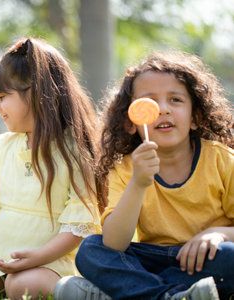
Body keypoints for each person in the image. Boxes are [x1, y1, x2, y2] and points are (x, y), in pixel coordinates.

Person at [0, 37, 106, 300]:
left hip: (50, 257)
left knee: (21, 287)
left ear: (38, 94)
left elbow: (78, 226)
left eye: (3, 97)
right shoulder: (1, 145)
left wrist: (37, 257)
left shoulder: (75, 151)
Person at [55, 50, 234, 300]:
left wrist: (219, 234)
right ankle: (173, 295)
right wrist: (138, 183)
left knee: (230, 256)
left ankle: (128, 293)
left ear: (196, 117)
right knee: (91, 249)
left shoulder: (221, 160)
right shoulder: (126, 169)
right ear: (130, 122)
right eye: (149, 102)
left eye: (175, 100)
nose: (163, 109)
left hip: (205, 259)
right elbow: (115, 243)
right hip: (150, 259)